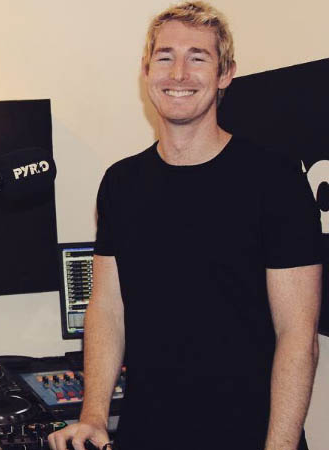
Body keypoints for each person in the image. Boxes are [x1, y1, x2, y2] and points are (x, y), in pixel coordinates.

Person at [49, 2, 322, 450]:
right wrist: (94, 415)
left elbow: (297, 335)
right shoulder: (121, 183)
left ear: (225, 73)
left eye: (198, 57)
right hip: (147, 432)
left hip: (250, 436)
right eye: (165, 57)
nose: (178, 73)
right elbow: (107, 308)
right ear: (146, 71)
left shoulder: (275, 180)